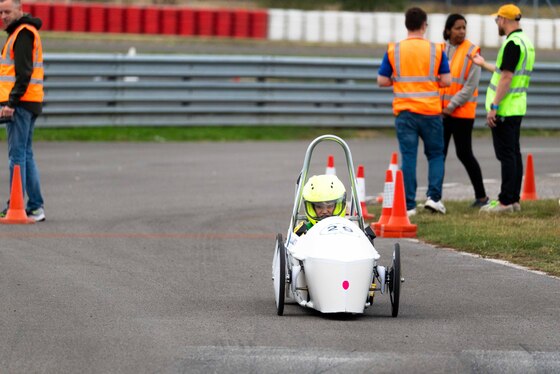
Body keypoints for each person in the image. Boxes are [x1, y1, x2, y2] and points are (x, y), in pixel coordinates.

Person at [377, 7, 451, 216]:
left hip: (405, 112)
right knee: (436, 154)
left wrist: (397, 80)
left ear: (406, 25)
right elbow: (446, 80)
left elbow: (381, 80)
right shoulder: (437, 49)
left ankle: (409, 205)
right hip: (430, 112)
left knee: (408, 157)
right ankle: (434, 199)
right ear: (424, 25)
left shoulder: (394, 49)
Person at [470, 4, 535, 213]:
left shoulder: (511, 44)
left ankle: (506, 201)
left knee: (507, 156)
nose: (496, 23)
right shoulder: (524, 42)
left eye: (497, 20)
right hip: (517, 106)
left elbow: (506, 77)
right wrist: (484, 64)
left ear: (504, 20)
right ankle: (513, 200)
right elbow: (506, 71)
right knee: (514, 154)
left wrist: (494, 107)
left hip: (505, 108)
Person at [0, 0, 45, 221]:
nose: (3, 16)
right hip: (29, 102)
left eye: (7, 11)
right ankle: (35, 207)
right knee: (25, 154)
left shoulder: (23, 34)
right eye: (1, 12)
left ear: (20, 10)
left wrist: (11, 103)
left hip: (21, 104)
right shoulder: (21, 32)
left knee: (16, 156)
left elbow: (23, 73)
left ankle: (16, 204)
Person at [440, 13, 489, 208]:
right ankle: (435, 198)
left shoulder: (472, 51)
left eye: (463, 28)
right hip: (442, 113)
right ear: (448, 30)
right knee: (439, 154)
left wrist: (449, 107)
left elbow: (470, 87)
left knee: (464, 153)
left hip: (461, 113)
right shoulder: (441, 50)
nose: (461, 31)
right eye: (457, 28)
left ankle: (482, 197)